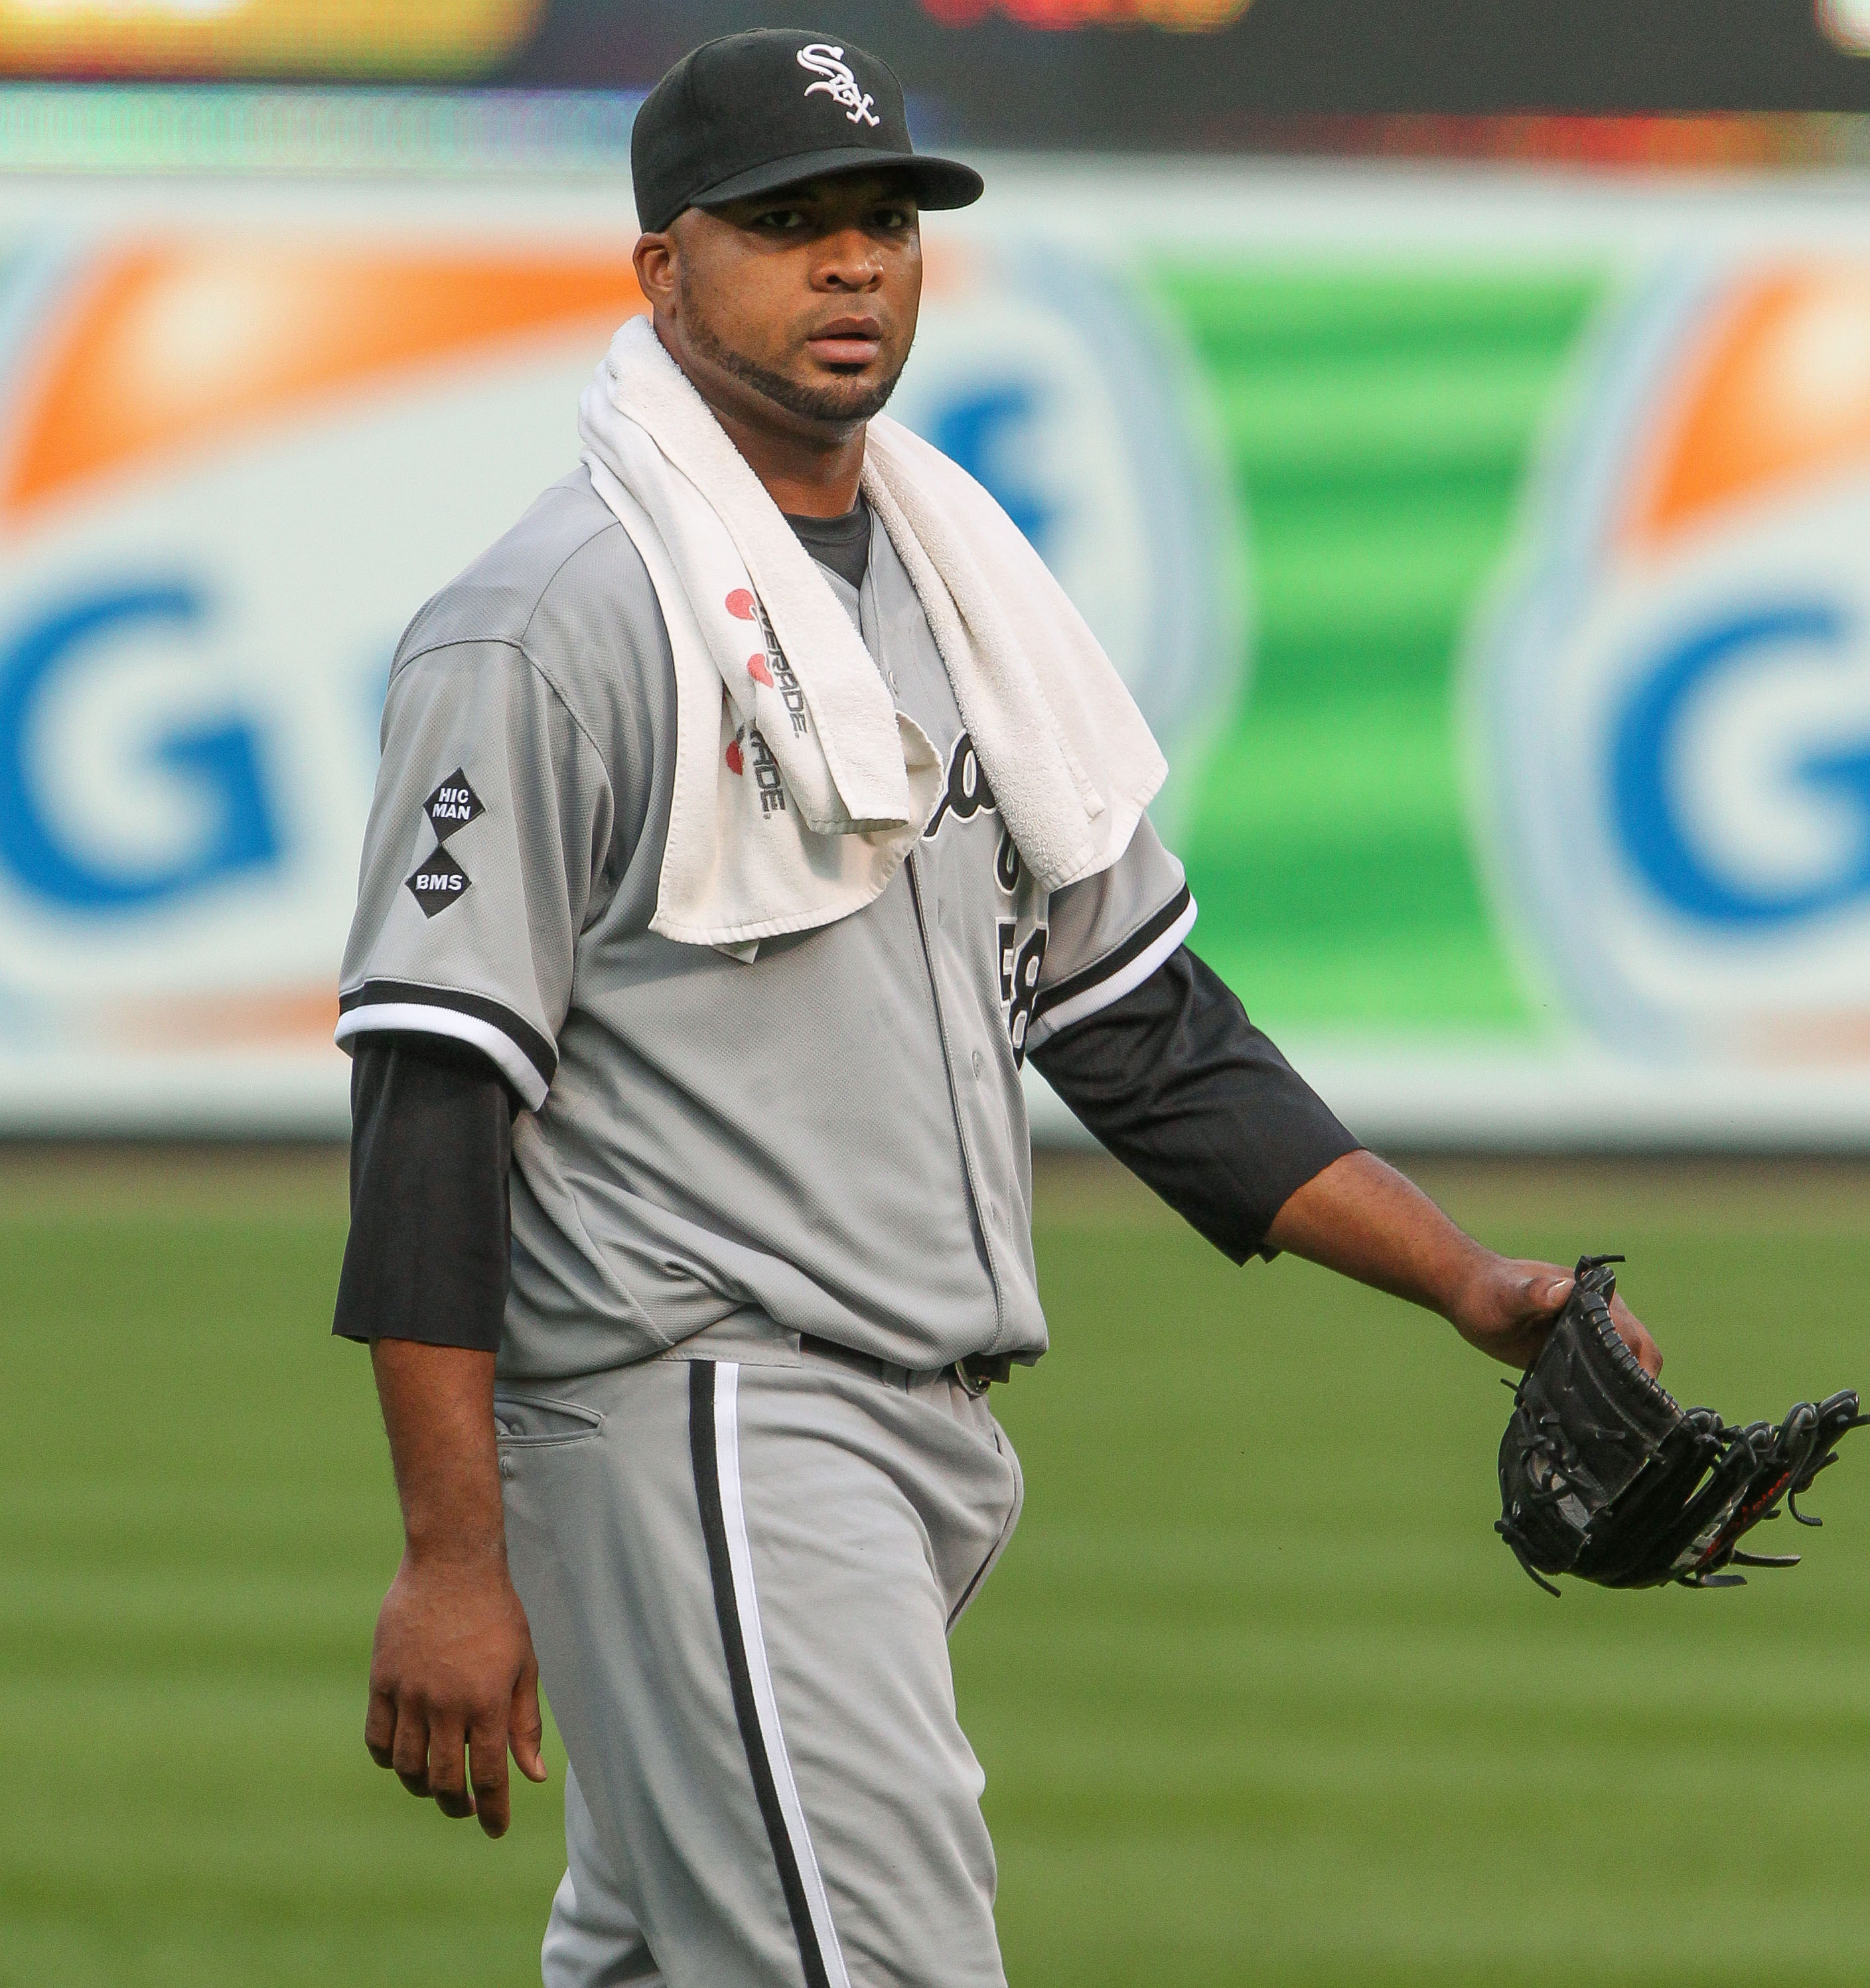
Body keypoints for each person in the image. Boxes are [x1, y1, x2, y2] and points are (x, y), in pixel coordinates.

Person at [332, 29, 1660, 1988]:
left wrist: (1467, 1280)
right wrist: (455, 1553)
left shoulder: (953, 595)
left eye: (880, 219)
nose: (852, 263)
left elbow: (1139, 1029)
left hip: (890, 1443)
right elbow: (434, 1095)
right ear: (660, 270)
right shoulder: (554, 623)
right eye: (786, 225)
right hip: (708, 1415)